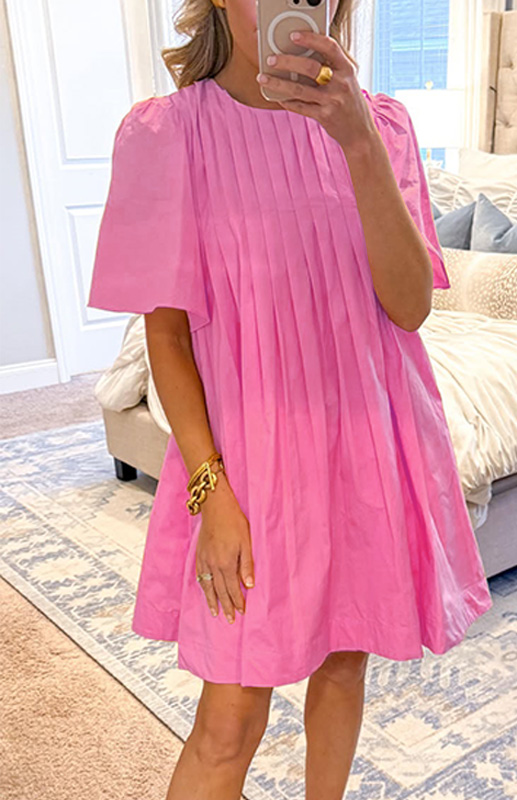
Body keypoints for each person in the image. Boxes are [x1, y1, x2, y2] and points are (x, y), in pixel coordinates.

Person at [87, 0, 493, 797]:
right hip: (249, 463)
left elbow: (409, 306)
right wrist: (210, 492)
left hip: (366, 441)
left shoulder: (380, 125)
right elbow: (168, 338)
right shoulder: (167, 135)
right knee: (230, 720)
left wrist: (358, 142)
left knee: (343, 662)